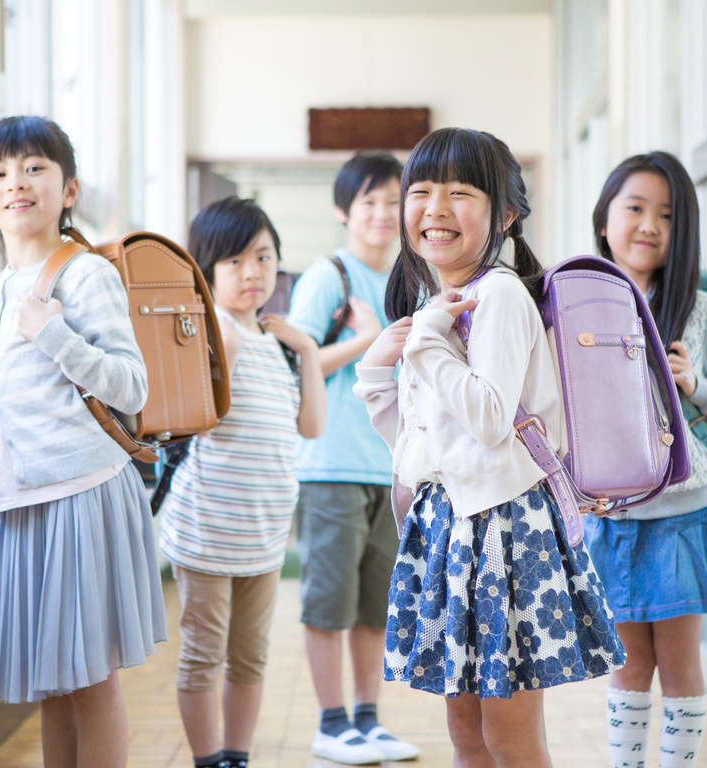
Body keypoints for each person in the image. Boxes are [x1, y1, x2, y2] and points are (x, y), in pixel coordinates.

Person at [354, 127, 627, 768]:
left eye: (460, 191)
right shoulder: (439, 304)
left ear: (505, 213)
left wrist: (425, 343)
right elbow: (424, 445)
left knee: (507, 731)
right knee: (466, 728)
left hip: (505, 526)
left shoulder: (498, 293)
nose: (436, 207)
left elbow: (487, 418)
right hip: (453, 524)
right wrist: (375, 375)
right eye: (420, 191)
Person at [0, 115, 167, 768]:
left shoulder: (85, 274)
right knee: (52, 688)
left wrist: (54, 336)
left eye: (35, 167)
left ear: (69, 190)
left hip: (84, 495)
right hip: (27, 500)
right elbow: (15, 409)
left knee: (91, 681)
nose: (17, 182)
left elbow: (131, 387)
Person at [586, 151, 707, 768]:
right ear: (604, 219)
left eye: (667, 214)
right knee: (629, 666)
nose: (649, 225)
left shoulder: (698, 310)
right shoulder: (575, 304)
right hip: (608, 516)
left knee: (681, 664)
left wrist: (700, 387)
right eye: (634, 208)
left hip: (683, 515)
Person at [159, 197, 327, 768]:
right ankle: (210, 761)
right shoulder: (211, 336)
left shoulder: (278, 346)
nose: (251, 272)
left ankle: (237, 755)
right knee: (203, 657)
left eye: (262, 256)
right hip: (208, 533)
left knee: (251, 658)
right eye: (233, 261)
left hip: (264, 537)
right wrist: (220, 343)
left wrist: (306, 349)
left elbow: (312, 425)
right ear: (206, 272)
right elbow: (195, 414)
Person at [287, 151, 421, 763]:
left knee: (375, 607)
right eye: (368, 201)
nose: (382, 214)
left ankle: (367, 721)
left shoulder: (406, 281)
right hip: (331, 466)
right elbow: (295, 361)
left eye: (392, 201)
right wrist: (368, 340)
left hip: (389, 469)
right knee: (328, 603)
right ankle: (330, 721)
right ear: (344, 211)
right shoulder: (328, 277)